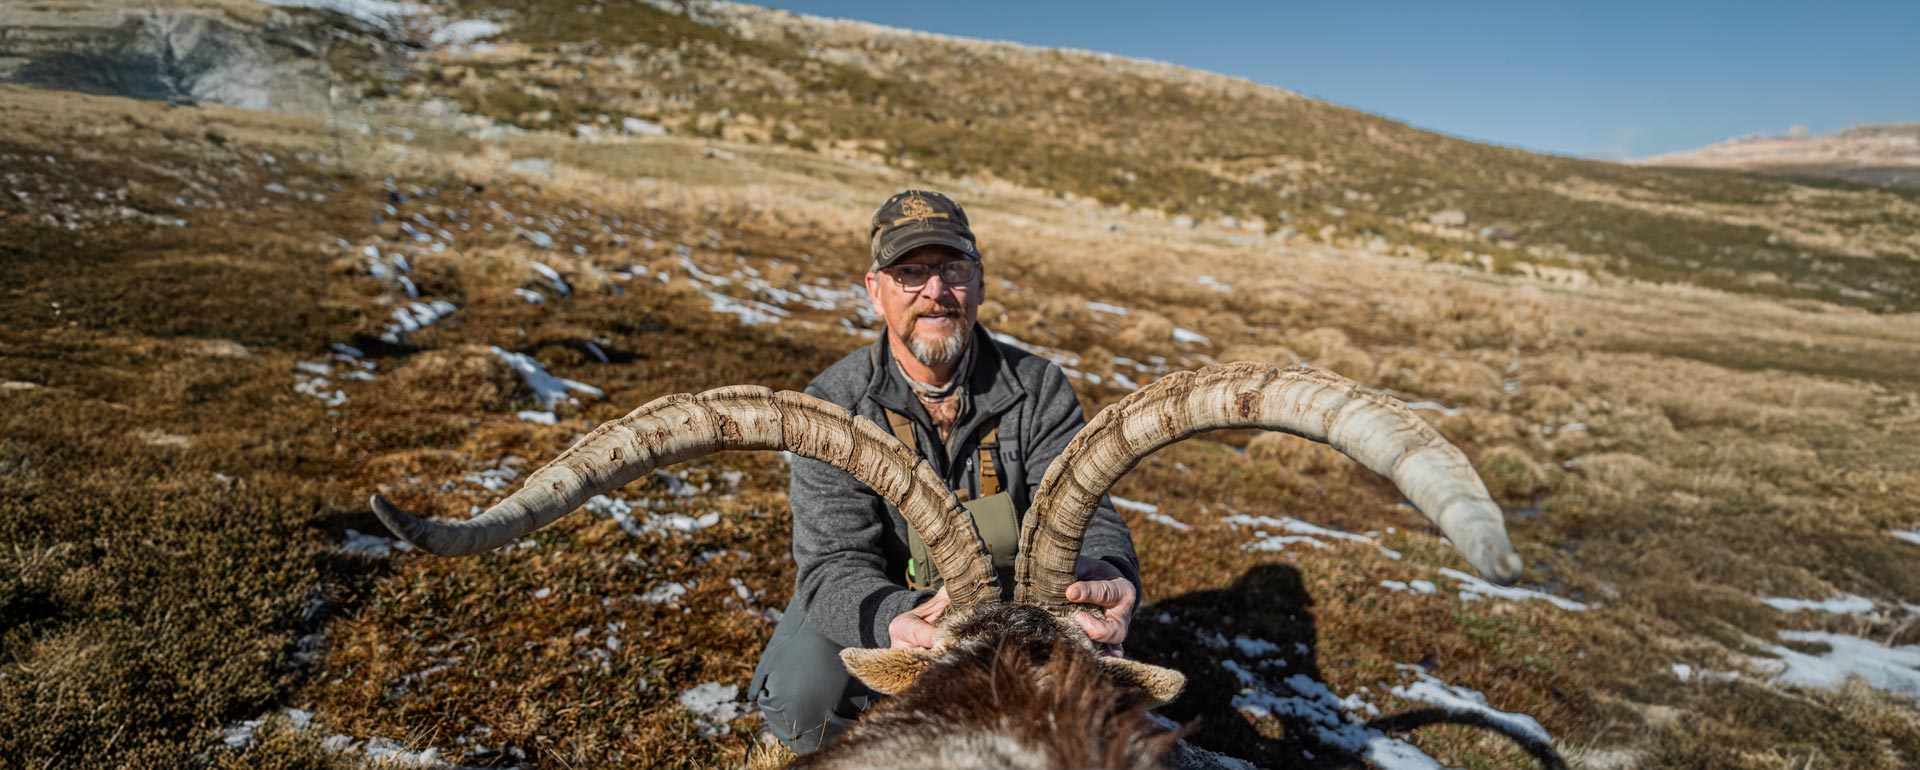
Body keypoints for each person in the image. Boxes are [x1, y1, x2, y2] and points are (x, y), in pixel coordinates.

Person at [748, 189, 1144, 753]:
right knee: (804, 699)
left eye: (952, 269)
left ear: (979, 282)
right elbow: (833, 562)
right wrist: (895, 618)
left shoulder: (1039, 388)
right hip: (893, 600)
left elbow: (1092, 515)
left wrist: (1112, 575)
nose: (936, 292)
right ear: (875, 291)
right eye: (910, 272)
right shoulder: (832, 404)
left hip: (1010, 610)